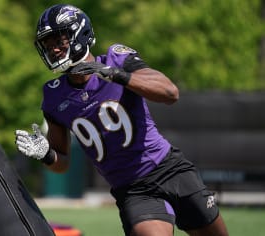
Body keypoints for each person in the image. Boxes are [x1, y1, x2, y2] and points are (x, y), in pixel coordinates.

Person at [15, 4, 228, 236]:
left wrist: (115, 74)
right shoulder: (54, 95)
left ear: (79, 34)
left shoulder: (117, 59)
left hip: (170, 169)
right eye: (47, 44)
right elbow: (62, 162)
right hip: (133, 190)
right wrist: (46, 154)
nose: (53, 49)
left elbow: (170, 93)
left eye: (59, 40)